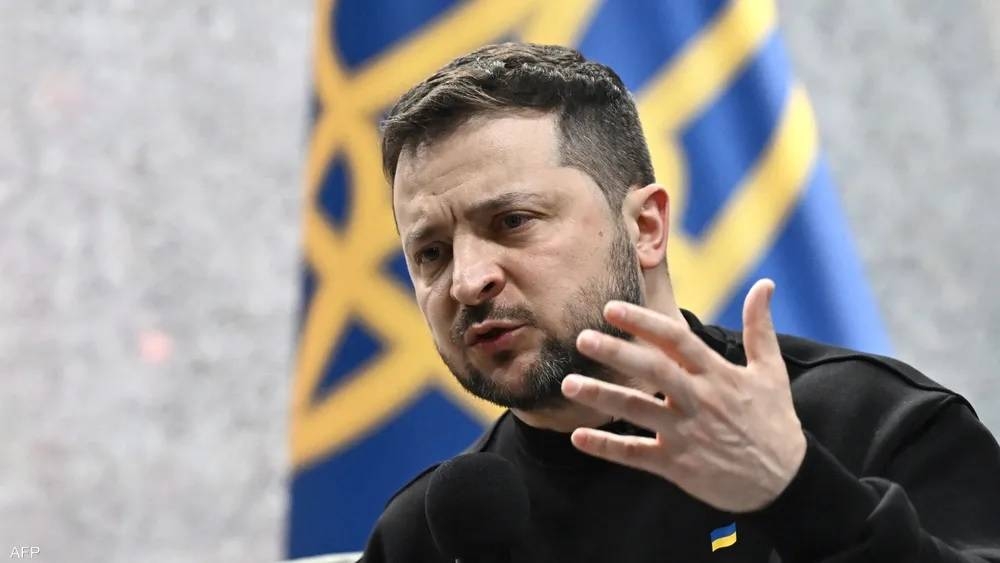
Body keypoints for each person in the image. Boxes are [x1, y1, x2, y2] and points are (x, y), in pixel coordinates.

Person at [360, 42, 1000, 562]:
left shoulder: (871, 424)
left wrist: (800, 492)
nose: (467, 282)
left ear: (645, 227)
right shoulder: (425, 535)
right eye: (432, 254)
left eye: (513, 222)